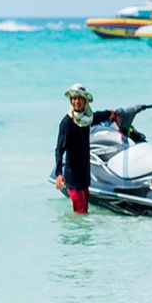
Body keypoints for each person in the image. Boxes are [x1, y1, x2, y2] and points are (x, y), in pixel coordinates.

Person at [53, 83, 111, 213]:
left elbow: (98, 116)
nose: (77, 101)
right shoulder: (67, 123)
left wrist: (111, 114)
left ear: (85, 101)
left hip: (84, 172)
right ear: (70, 100)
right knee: (80, 210)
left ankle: (75, 226)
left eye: (80, 98)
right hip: (72, 174)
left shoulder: (87, 119)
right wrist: (59, 173)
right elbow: (59, 149)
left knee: (83, 210)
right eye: (74, 98)